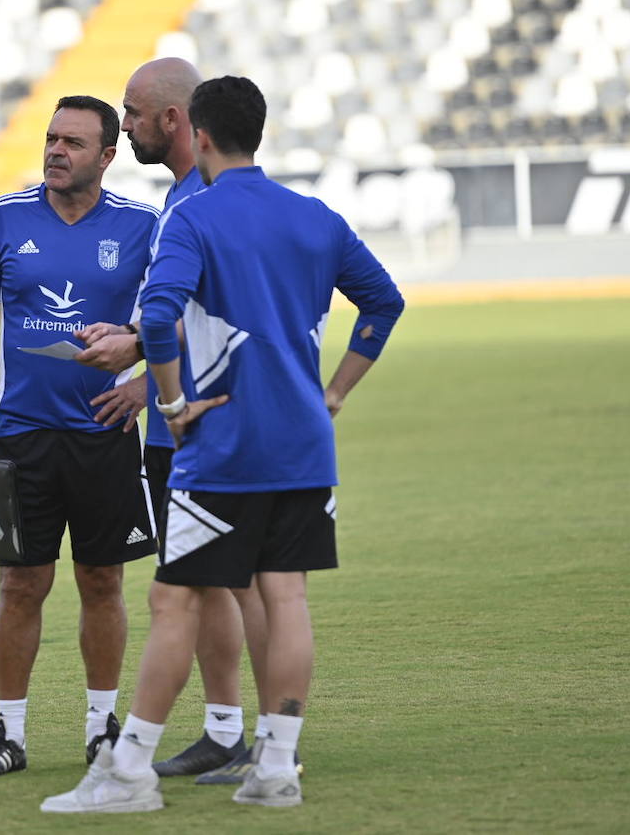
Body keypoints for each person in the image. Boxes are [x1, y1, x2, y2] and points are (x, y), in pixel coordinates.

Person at [42, 75, 404, 813]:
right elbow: (383, 303)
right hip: (304, 441)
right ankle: (276, 765)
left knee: (173, 600)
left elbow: (163, 311)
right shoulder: (316, 216)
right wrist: (333, 394)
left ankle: (130, 771)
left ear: (198, 136)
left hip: (224, 443)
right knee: (287, 596)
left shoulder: (192, 218)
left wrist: (170, 403)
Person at [76, 57, 272, 783]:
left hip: (205, 420)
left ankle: (261, 740)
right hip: (172, 424)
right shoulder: (183, 200)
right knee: (212, 583)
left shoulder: (206, 203)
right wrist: (139, 373)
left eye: (130, 113)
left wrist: (137, 348)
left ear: (171, 120)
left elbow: (227, 305)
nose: (121, 126)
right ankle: (226, 730)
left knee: (233, 583)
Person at [0, 95, 159, 778]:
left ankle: (103, 730)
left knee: (103, 581)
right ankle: (8, 736)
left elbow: (171, 319)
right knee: (18, 585)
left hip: (105, 435)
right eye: (51, 138)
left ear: (106, 156)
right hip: (19, 436)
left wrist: (146, 386)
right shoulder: (4, 218)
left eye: (73, 142)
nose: (55, 151)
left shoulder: (143, 226)